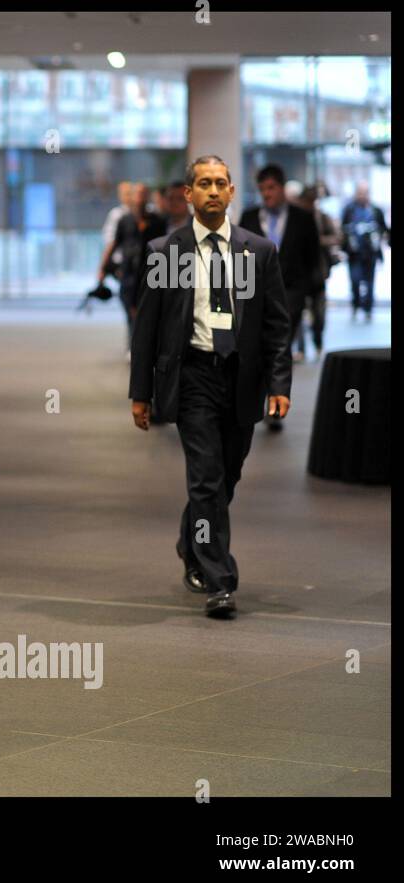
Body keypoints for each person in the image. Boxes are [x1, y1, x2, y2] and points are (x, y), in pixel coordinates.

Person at [129, 155, 292, 619]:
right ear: (189, 194)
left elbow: (277, 326)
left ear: (232, 192)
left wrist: (279, 383)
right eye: (204, 183)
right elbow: (149, 328)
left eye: (221, 183)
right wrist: (140, 392)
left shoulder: (258, 252)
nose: (214, 191)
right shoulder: (168, 251)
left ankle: (190, 541)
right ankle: (221, 581)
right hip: (193, 375)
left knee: (226, 478)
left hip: (241, 377)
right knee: (205, 479)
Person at [241, 164, 320, 415]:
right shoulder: (250, 217)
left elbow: (312, 257)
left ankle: (277, 397)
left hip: (290, 293)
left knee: (280, 345)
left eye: (271, 188)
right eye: (262, 189)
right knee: (257, 346)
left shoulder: (303, 218)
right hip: (254, 294)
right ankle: (264, 393)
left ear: (282, 188)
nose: (267, 194)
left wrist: (306, 290)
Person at [98, 182, 167, 356]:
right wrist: (103, 269)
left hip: (151, 273)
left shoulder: (157, 220)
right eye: (137, 194)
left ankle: (144, 345)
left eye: (144, 194)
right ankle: (133, 345)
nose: (140, 197)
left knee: (148, 311)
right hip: (128, 273)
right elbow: (114, 244)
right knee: (131, 311)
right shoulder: (124, 219)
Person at [296, 182, 341, 363]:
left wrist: (319, 240)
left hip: (318, 272)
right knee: (296, 312)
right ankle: (300, 348)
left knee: (319, 312)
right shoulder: (294, 220)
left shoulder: (322, 217)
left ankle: (318, 341)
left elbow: (337, 237)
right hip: (298, 274)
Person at [341, 181, 390, 322]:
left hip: (370, 253)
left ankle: (368, 308)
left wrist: (376, 234)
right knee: (355, 280)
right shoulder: (349, 209)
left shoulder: (375, 210)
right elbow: (342, 229)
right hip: (354, 253)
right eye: (360, 193)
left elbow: (384, 230)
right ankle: (356, 304)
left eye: (364, 193)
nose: (362, 196)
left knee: (369, 282)